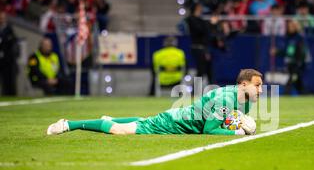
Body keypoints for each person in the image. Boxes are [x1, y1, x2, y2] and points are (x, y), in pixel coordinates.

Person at [46, 69, 263, 136]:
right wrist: (237, 132)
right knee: (119, 131)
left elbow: (224, 120)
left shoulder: (245, 99)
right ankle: (69, 124)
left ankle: (109, 118)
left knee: (143, 121)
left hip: (180, 120)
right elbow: (209, 129)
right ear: (243, 84)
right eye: (257, 85)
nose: (260, 90)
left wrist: (236, 123)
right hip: (175, 124)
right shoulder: (226, 98)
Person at [0, 10, 19, 95]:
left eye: (3, 18)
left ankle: (9, 93)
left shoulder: (9, 29)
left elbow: (12, 41)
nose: (1, 19)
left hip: (8, 59)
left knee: (8, 78)